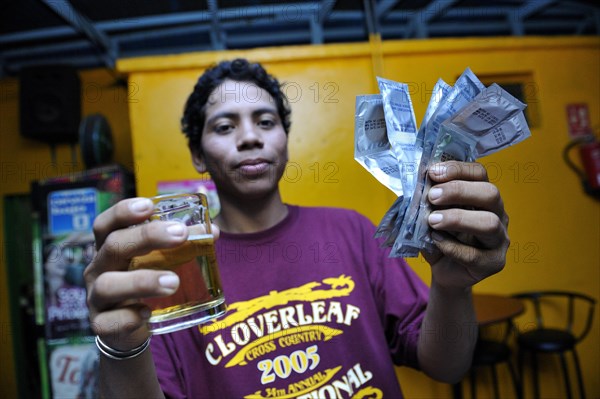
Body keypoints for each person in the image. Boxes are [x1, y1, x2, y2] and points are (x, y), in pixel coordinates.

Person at [85, 59, 510, 398]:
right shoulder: (175, 269)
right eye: (224, 126)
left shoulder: (352, 231)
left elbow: (446, 366)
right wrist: (122, 347)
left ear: (284, 140)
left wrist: (452, 287)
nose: (249, 138)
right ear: (198, 155)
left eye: (265, 122)